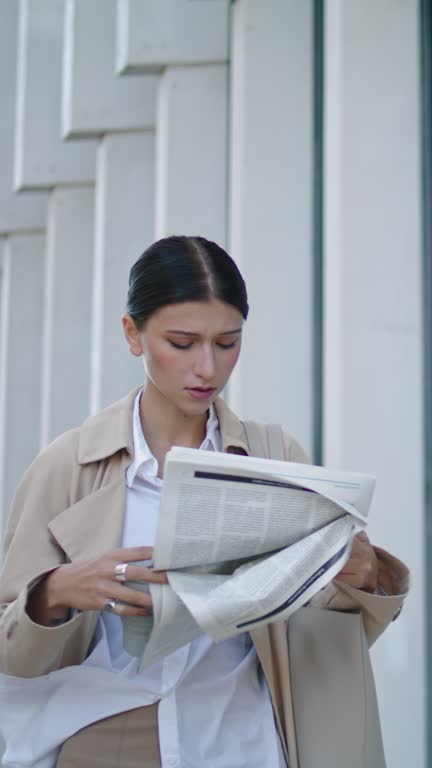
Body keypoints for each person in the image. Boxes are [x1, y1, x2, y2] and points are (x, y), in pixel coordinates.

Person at [0, 236, 408, 768]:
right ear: (133, 334)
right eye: (183, 342)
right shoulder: (67, 465)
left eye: (227, 342)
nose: (208, 369)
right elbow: (10, 648)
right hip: (103, 739)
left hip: (241, 741)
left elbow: (318, 639)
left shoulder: (275, 454)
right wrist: (54, 593)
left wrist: (360, 573)